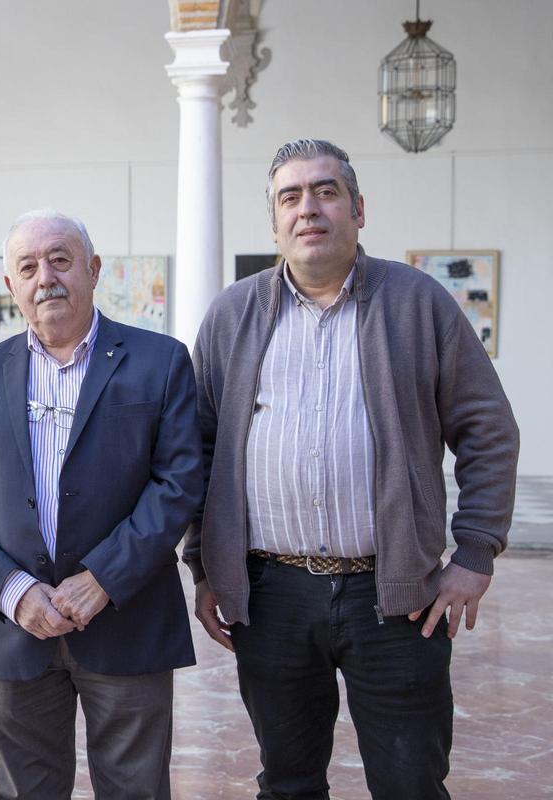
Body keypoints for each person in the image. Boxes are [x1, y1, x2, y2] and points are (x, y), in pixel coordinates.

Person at [186, 138, 520, 799]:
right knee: (287, 782)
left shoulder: (418, 304)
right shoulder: (232, 315)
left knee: (410, 784)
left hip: (396, 599)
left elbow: (489, 429)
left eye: (325, 191)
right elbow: (198, 449)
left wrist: (475, 552)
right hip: (271, 595)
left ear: (358, 209)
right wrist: (204, 565)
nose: (308, 208)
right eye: (291, 196)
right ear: (275, 221)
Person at [0, 209, 203, 799]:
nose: (46, 278)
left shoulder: (160, 362)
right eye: (28, 267)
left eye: (60, 260)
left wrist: (103, 578)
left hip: (126, 620)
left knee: (135, 789)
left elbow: (179, 482)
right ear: (11, 287)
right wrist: (13, 591)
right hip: (17, 630)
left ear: (93, 269)